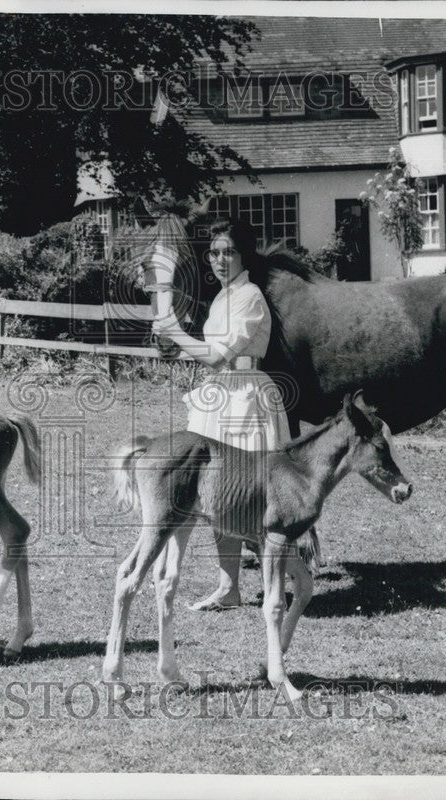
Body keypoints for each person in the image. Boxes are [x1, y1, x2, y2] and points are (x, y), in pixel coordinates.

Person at [152, 216, 308, 610]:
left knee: (253, 496)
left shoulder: (250, 296)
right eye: (215, 253)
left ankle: (297, 582)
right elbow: (211, 357)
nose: (220, 260)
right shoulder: (223, 297)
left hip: (246, 396)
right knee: (216, 493)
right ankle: (229, 587)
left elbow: (220, 355)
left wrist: (174, 331)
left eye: (229, 252)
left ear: (245, 256)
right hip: (221, 394)